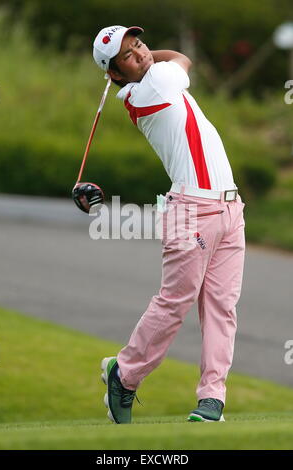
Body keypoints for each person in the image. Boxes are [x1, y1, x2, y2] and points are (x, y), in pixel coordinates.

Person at [93, 25, 246, 424]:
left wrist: (135, 56)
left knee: (221, 307)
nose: (142, 54)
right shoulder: (153, 87)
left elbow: (169, 62)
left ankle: (212, 399)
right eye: (128, 55)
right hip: (191, 209)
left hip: (230, 208)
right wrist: (151, 58)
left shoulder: (150, 81)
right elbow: (182, 58)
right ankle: (124, 375)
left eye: (139, 44)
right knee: (174, 303)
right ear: (115, 75)